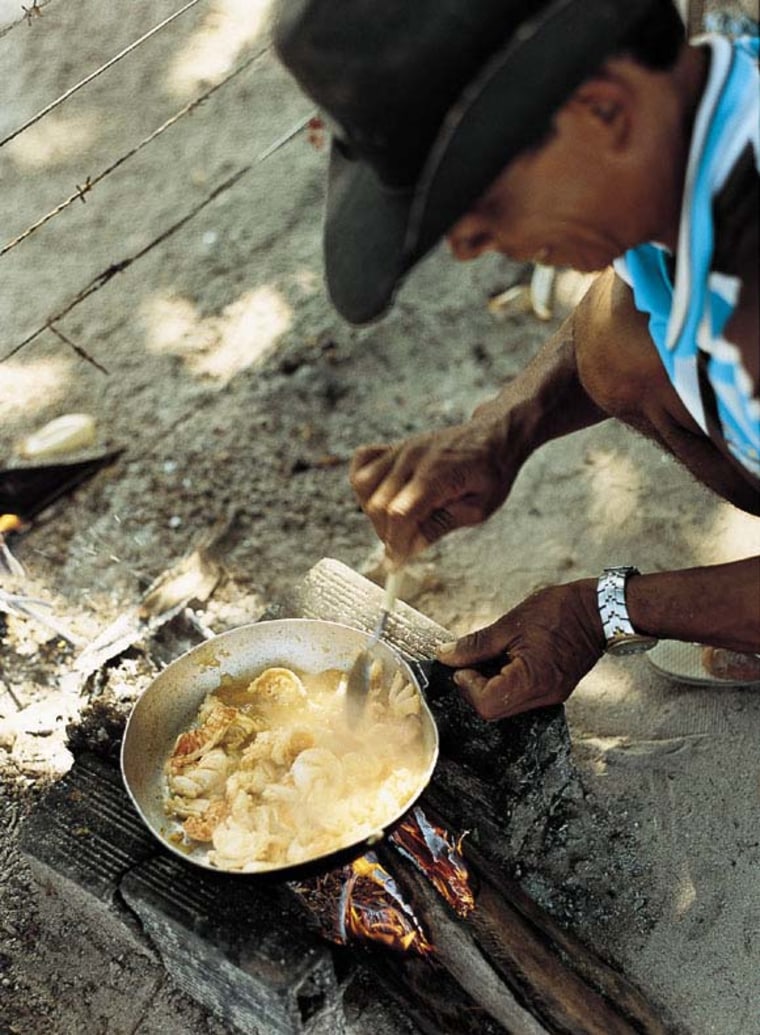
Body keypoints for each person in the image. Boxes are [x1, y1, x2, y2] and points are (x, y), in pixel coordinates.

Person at [274, 0, 760, 718]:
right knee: (616, 341)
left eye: (482, 200)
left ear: (603, 109)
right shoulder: (691, 123)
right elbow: (623, 305)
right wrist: (502, 430)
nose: (466, 247)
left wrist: (605, 610)